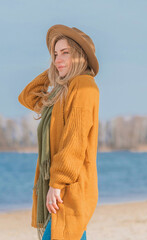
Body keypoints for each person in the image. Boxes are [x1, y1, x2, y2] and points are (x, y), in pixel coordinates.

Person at [18, 24, 100, 240]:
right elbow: (28, 97)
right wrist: (56, 70)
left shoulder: (83, 86)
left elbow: (76, 139)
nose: (58, 59)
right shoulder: (61, 93)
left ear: (81, 56)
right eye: (55, 54)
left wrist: (57, 184)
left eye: (66, 53)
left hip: (69, 185)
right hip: (61, 184)